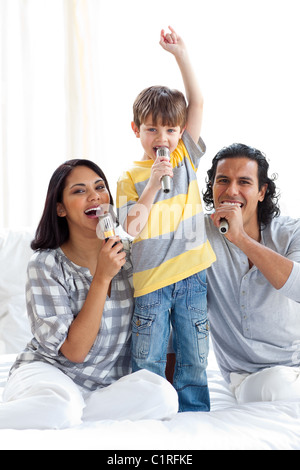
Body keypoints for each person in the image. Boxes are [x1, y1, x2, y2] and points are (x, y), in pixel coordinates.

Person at [0, 159, 178, 430]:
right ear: (60, 209)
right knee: (60, 406)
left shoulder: (132, 255)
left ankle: (69, 414)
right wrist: (102, 277)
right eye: (79, 191)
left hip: (102, 387)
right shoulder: (46, 265)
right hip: (50, 373)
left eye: (100, 187)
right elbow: (75, 351)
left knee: (162, 396)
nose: (94, 196)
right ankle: (61, 411)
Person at [117, 27, 216, 412]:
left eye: (171, 129)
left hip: (191, 276)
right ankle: (150, 412)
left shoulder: (185, 158)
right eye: (152, 129)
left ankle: (194, 415)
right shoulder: (129, 178)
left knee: (194, 354)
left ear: (181, 132)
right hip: (150, 283)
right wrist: (154, 183)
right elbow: (133, 229)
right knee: (148, 357)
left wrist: (181, 54)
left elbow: (199, 102)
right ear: (136, 131)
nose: (163, 136)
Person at [203, 143, 300, 403]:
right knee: (278, 387)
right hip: (248, 377)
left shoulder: (291, 232)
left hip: (296, 365)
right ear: (212, 188)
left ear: (261, 191)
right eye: (222, 180)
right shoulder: (199, 236)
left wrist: (241, 239)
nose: (231, 191)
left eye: (244, 182)